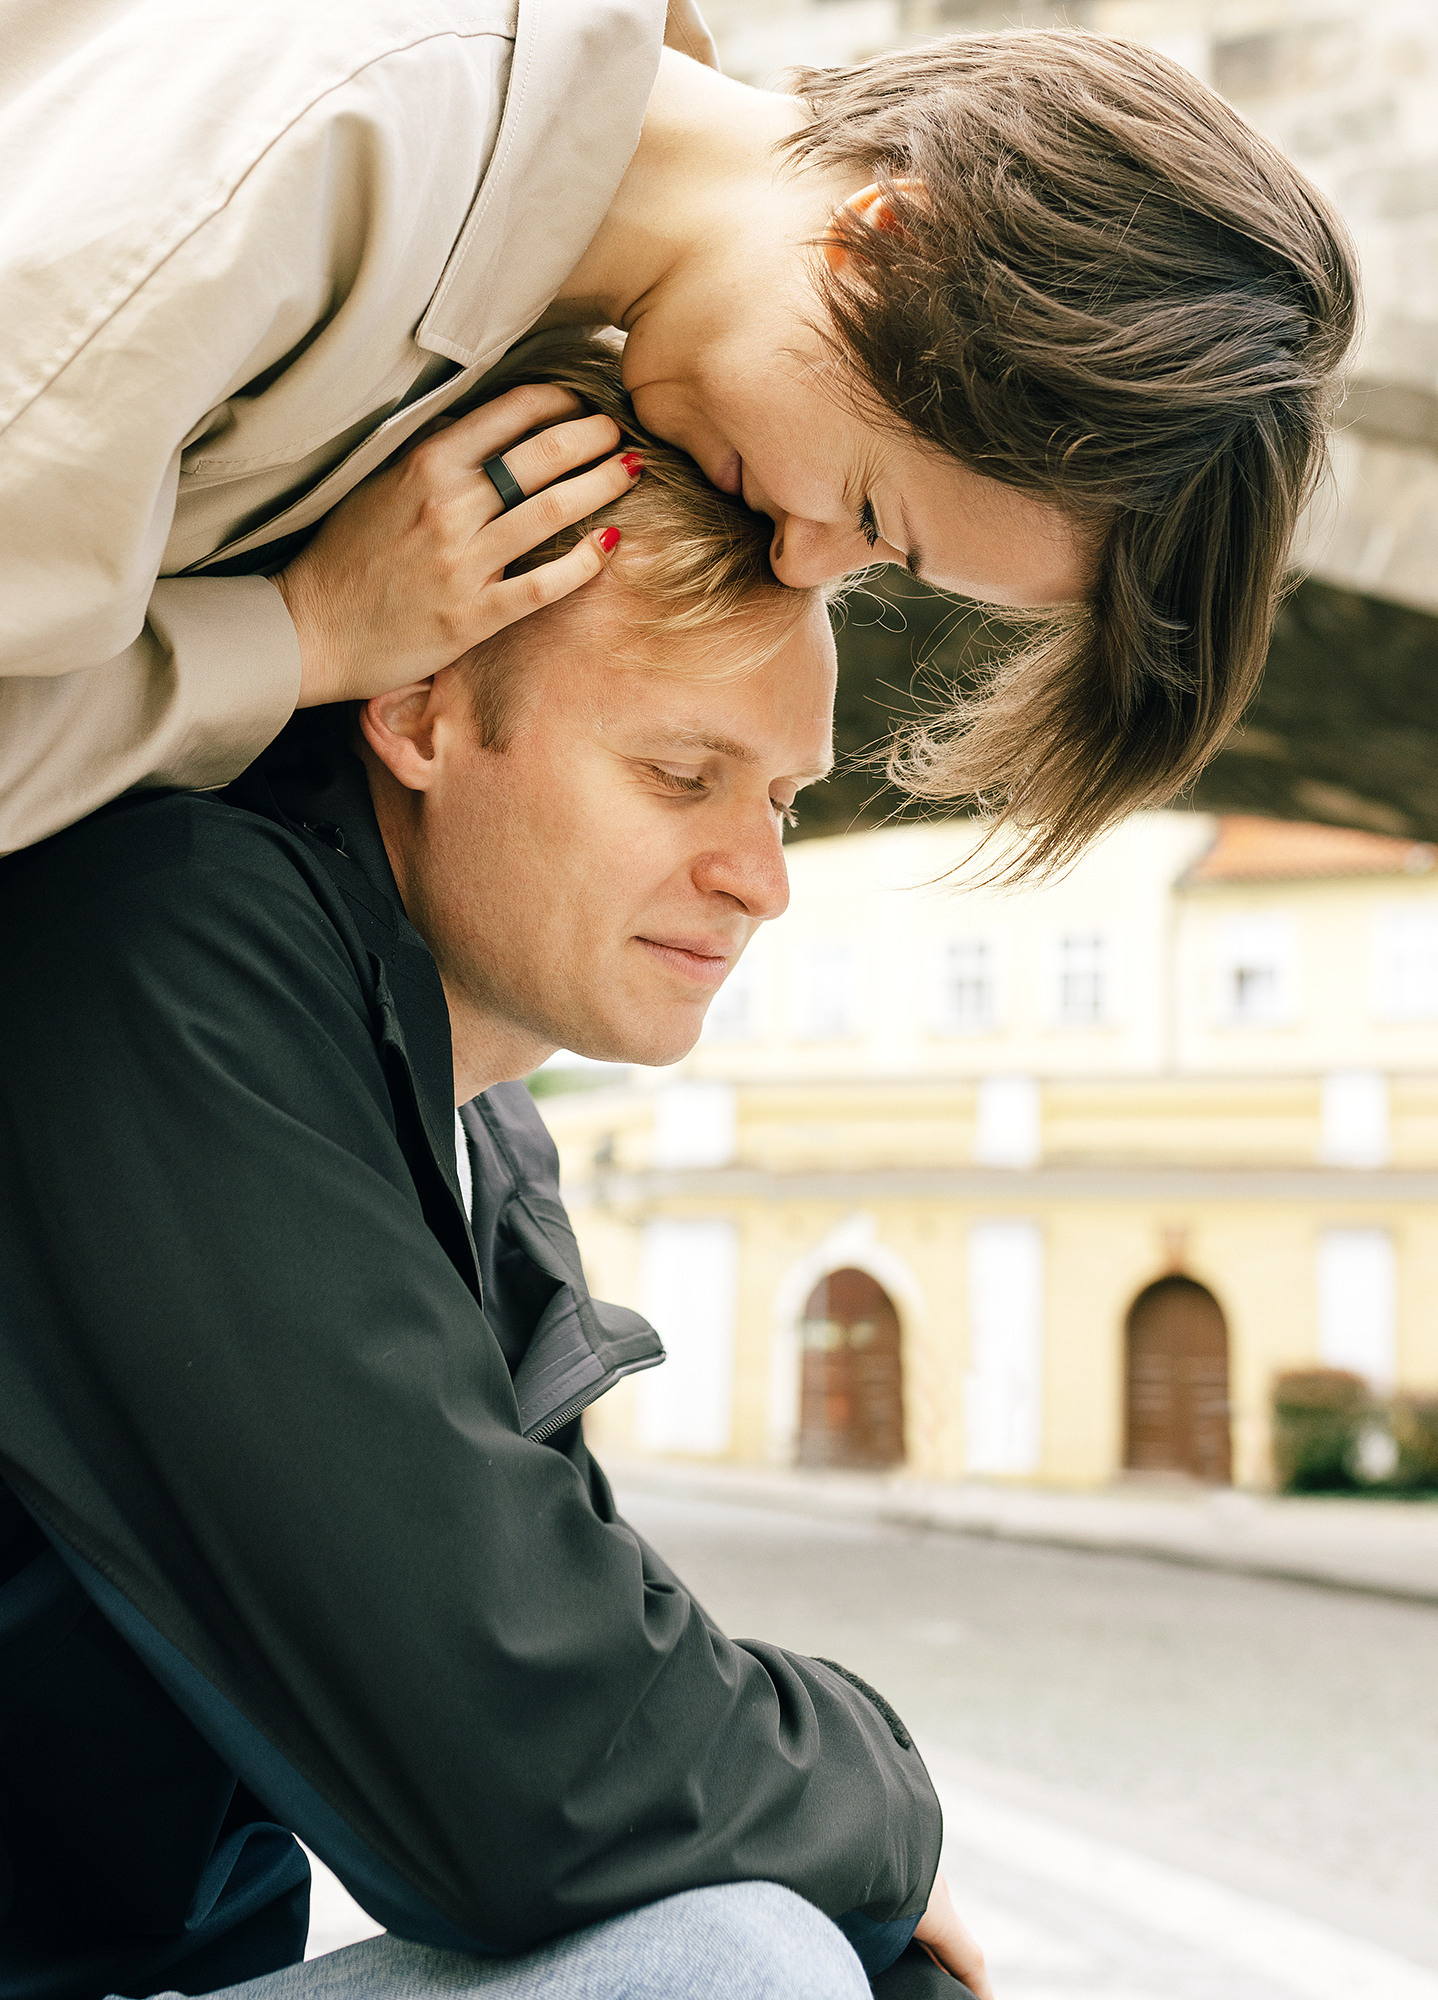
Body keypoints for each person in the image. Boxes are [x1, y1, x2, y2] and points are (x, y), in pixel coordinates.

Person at [0, 344, 989, 2000]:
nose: (758, 880)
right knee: (741, 1962)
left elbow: (591, 1659)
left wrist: (843, 1863)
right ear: (419, 706)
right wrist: (886, 1803)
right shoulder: (152, 948)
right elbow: (533, 1775)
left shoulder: (474, 1124)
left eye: (786, 804)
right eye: (679, 776)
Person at [2, 1, 1357, 875]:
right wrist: (299, 637)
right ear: (889, 249)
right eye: (875, 512)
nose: (804, 559)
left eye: (875, 564)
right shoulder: (301, 160)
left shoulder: (521, 277)